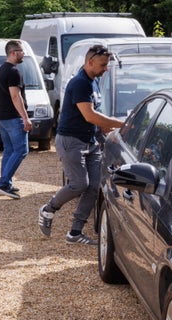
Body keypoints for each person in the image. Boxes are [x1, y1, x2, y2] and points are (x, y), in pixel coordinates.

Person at [38, 43, 126, 245]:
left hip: (90, 141)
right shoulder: (80, 83)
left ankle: (75, 233)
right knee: (79, 183)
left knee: (94, 186)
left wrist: (104, 128)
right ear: (90, 62)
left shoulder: (93, 81)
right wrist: (122, 124)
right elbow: (89, 115)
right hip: (71, 141)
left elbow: (94, 115)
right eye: (103, 65)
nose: (105, 69)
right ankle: (48, 209)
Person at [0, 40, 33, 198]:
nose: (24, 54)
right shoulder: (14, 72)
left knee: (9, 150)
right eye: (21, 51)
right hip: (12, 118)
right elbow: (16, 96)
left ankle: (6, 183)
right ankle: (2, 183)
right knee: (22, 150)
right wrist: (25, 118)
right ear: (14, 52)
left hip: (1, 116)